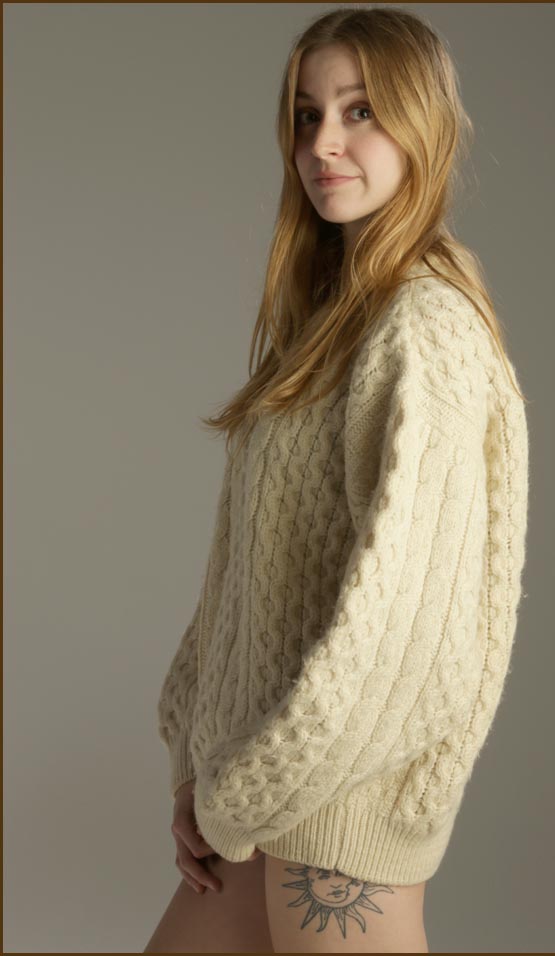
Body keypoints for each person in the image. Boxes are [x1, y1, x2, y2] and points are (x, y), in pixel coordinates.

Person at [144, 6, 530, 953]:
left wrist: (242, 792)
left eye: (360, 111)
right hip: (260, 786)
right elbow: (244, 576)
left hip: (341, 804)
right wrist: (199, 757)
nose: (323, 142)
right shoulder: (328, 321)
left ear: (422, 125)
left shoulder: (423, 325)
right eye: (306, 114)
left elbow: (410, 634)